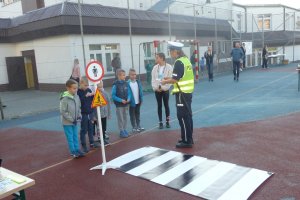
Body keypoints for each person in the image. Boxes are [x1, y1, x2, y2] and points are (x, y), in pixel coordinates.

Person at [161, 41, 194, 148]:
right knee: (188, 116)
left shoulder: (178, 62)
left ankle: (186, 141)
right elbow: (180, 76)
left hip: (181, 93)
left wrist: (165, 81)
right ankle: (189, 138)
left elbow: (175, 80)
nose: (170, 54)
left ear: (176, 51)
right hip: (188, 92)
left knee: (182, 117)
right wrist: (168, 78)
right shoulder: (186, 60)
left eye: (171, 51)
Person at [60, 79, 85, 158]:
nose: (76, 90)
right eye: (74, 88)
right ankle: (73, 151)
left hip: (75, 121)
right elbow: (63, 111)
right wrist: (72, 119)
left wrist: (79, 115)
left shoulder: (76, 97)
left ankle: (77, 149)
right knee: (70, 137)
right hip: (67, 122)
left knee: (75, 136)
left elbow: (79, 107)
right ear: (68, 88)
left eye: (76, 88)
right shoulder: (64, 98)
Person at [77, 76, 99, 153]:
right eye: (85, 85)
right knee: (84, 129)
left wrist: (93, 95)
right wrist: (85, 96)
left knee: (91, 128)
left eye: (88, 85)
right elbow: (79, 102)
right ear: (81, 83)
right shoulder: (78, 92)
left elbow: (93, 102)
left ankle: (92, 142)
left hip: (90, 112)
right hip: (83, 114)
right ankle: (83, 145)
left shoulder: (88, 90)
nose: (87, 87)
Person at [151, 52, 173, 129]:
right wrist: (156, 88)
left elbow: (170, 79)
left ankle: (167, 122)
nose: (156, 59)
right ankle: (160, 122)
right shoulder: (155, 68)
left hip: (165, 90)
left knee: (166, 105)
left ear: (162, 58)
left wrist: (163, 88)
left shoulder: (169, 67)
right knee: (159, 106)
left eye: (157, 57)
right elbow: (153, 79)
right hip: (157, 90)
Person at [112, 69, 132, 138]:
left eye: (124, 75)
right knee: (120, 118)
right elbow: (113, 96)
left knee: (125, 117)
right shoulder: (115, 85)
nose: (125, 76)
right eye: (123, 75)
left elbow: (129, 93)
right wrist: (121, 100)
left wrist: (129, 98)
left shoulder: (126, 83)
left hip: (126, 104)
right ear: (119, 76)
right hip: (119, 105)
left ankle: (124, 129)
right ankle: (121, 131)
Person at [93, 80, 111, 146]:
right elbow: (94, 106)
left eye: (101, 86)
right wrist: (94, 116)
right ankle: (100, 139)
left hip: (104, 114)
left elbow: (108, 104)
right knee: (99, 127)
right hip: (98, 115)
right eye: (99, 87)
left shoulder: (105, 93)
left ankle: (103, 138)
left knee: (103, 127)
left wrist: (108, 113)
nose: (100, 88)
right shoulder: (94, 94)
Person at [128, 68, 145, 133]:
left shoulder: (138, 82)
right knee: (132, 115)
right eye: (132, 75)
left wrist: (141, 99)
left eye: (135, 74)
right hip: (132, 102)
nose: (133, 76)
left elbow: (140, 91)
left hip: (138, 101)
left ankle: (138, 125)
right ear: (129, 75)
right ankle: (134, 127)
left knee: (137, 114)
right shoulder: (128, 83)